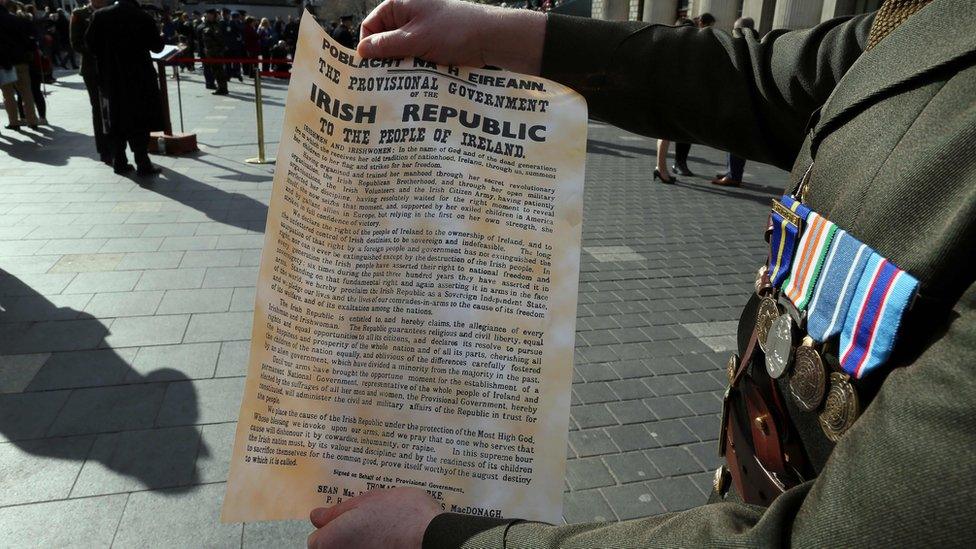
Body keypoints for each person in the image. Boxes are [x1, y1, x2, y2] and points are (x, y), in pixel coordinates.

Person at [305, 0, 976, 546]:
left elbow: (834, 533)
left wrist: (444, 540)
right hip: (751, 475)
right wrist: (498, 35)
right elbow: (768, 77)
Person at [85, 0, 164, 176]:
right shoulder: (142, 17)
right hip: (139, 78)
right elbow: (157, 47)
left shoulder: (100, 16)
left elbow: (90, 45)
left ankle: (119, 161)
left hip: (110, 78)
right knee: (139, 119)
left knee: (114, 118)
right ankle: (143, 162)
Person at [712, 16, 758, 188]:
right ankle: (731, 170)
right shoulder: (754, 43)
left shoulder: (745, 45)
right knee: (733, 139)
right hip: (741, 100)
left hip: (741, 101)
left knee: (736, 138)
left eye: (735, 29)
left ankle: (734, 175)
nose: (732, 32)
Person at [653, 15, 698, 184]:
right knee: (666, 133)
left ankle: (661, 168)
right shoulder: (681, 50)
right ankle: (661, 168)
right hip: (673, 96)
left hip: (669, 94)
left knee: (665, 134)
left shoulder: (669, 46)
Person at [70, 0, 110, 163]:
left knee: (113, 107)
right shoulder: (79, 14)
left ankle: (116, 145)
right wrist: (97, 52)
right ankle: (103, 148)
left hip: (110, 67)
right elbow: (75, 42)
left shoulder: (110, 11)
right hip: (91, 69)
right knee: (99, 108)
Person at [0, 0, 40, 130]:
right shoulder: (18, 20)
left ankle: (14, 122)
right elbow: (30, 38)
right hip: (21, 60)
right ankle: (32, 120)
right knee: (26, 92)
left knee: (8, 94)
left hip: (4, 63)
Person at [200, 8, 228, 95]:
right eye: (207, 15)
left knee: (219, 71)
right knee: (215, 71)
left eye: (209, 14)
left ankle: (222, 88)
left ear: (213, 15)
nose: (207, 16)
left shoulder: (216, 25)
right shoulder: (206, 24)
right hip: (210, 52)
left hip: (216, 52)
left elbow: (220, 39)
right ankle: (221, 87)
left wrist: (220, 50)